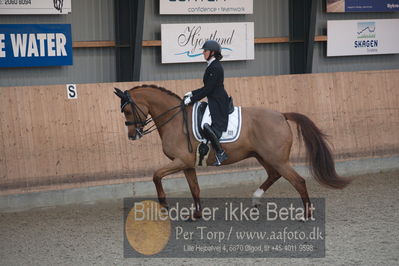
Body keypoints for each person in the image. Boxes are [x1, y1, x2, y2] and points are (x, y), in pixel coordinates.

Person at [183, 40, 230, 166]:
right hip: (213, 98)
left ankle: (220, 152)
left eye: (205, 51)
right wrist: (192, 93)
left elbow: (208, 89)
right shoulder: (211, 65)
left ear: (212, 52)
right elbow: (206, 87)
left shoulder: (216, 67)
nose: (203, 53)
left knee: (205, 124)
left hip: (218, 101)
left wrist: (192, 100)